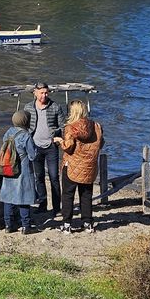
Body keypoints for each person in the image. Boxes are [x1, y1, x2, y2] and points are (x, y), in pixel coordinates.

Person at [58, 100, 104, 234]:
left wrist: (60, 141)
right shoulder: (97, 126)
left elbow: (68, 147)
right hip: (89, 167)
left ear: (73, 112)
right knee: (86, 195)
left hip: (72, 166)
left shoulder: (70, 127)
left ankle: (67, 224)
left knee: (67, 195)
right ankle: (88, 223)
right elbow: (101, 144)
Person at [23, 82, 66, 215]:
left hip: (51, 147)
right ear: (35, 92)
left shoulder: (55, 107)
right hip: (35, 146)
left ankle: (56, 207)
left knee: (54, 177)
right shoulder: (28, 107)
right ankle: (42, 205)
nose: (44, 95)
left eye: (46, 92)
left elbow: (63, 126)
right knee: (39, 177)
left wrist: (57, 137)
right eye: (41, 93)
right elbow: (24, 126)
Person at [0, 111, 38, 234]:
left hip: (8, 168)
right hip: (23, 170)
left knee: (8, 198)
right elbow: (32, 155)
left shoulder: (8, 133)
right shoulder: (26, 136)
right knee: (23, 198)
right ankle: (26, 226)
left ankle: (8, 225)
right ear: (25, 121)